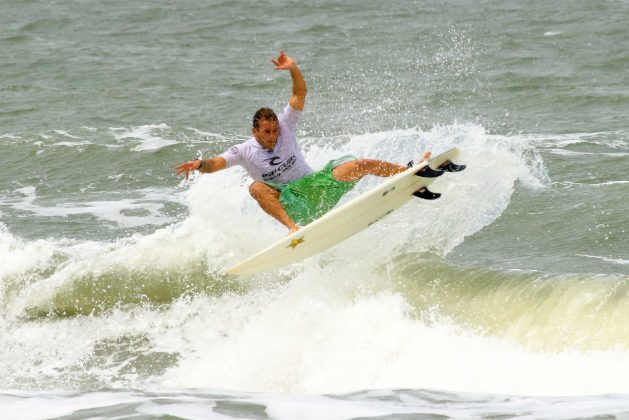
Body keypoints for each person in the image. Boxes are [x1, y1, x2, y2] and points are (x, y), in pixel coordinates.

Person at [176, 51, 431, 234]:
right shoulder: (243, 151)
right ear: (255, 131)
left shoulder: (285, 125)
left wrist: (293, 68)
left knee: (359, 164)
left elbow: (299, 94)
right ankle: (293, 230)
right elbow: (215, 163)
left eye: (274, 130)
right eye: (266, 132)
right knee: (256, 188)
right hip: (292, 203)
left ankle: (409, 174)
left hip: (318, 189)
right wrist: (199, 164)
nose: (273, 135)